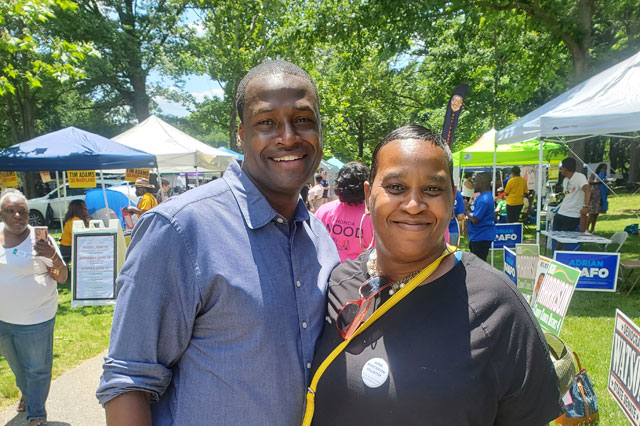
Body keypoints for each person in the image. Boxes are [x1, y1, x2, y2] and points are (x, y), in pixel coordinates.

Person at [96, 60, 340, 425]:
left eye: (303, 119)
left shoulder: (320, 241)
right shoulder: (180, 230)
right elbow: (128, 382)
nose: (288, 136)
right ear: (241, 135)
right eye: (267, 122)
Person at [309, 125, 561, 426]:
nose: (414, 205)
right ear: (368, 194)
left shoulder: (497, 305)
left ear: (452, 197)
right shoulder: (336, 285)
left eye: (432, 189)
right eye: (396, 187)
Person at [0, 189, 68, 426]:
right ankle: (28, 394)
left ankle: (36, 414)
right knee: (18, 367)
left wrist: (54, 257)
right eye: (11, 211)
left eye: (23, 211)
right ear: (1, 214)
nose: (17, 215)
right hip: (3, 320)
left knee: (37, 368)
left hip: (35, 319)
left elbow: (62, 277)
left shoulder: (40, 240)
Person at [315, 162, 374, 262]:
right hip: (358, 273)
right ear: (366, 186)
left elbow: (314, 243)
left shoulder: (323, 211)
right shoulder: (373, 216)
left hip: (326, 270)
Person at [465, 172, 496, 262]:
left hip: (481, 237)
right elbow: (477, 211)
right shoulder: (483, 197)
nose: (473, 184)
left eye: (476, 181)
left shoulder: (484, 199)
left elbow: (475, 218)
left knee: (478, 263)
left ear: (482, 183)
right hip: (477, 235)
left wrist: (466, 210)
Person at [555, 157, 590, 232]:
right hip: (561, 212)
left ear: (565, 168)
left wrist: (586, 206)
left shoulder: (579, 177)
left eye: (562, 168)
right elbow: (568, 194)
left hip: (572, 214)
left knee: (563, 239)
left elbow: (587, 190)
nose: (561, 170)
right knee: (556, 237)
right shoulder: (565, 180)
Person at [587, 163, 608, 232]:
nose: (605, 170)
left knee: (596, 214)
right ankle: (586, 229)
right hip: (594, 196)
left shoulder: (605, 176)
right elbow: (590, 182)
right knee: (591, 213)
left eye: (606, 169)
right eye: (604, 168)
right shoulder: (593, 175)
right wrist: (600, 181)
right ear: (600, 168)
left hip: (601, 197)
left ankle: (592, 229)